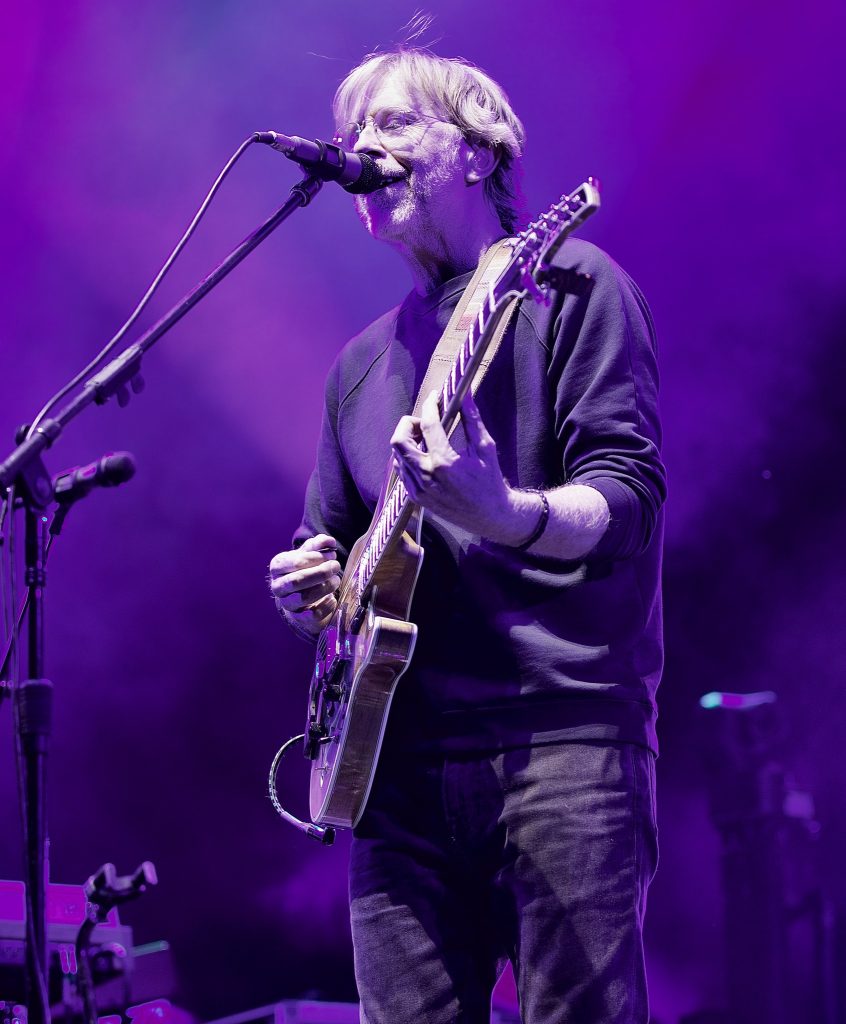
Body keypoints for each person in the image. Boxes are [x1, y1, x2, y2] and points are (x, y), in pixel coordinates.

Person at [269, 47, 666, 1024]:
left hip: (561, 740)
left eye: (395, 122)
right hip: (395, 767)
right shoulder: (360, 366)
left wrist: (505, 513)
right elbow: (334, 554)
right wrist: (311, 588)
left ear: (481, 153)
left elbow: (627, 499)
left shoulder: (573, 285)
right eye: (354, 132)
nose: (363, 146)